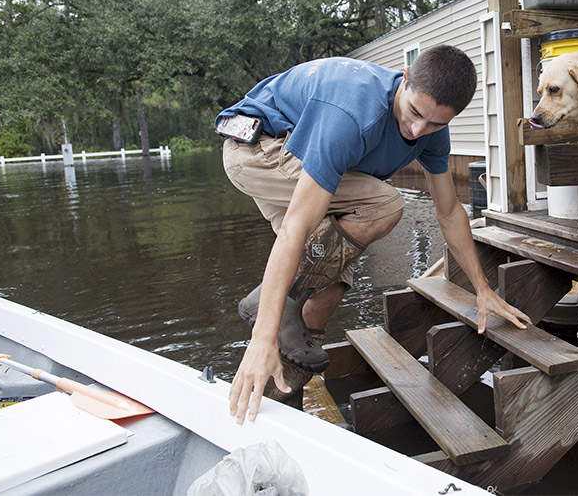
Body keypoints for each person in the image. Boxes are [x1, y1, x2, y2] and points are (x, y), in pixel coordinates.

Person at [218, 45, 531, 424]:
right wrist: (260, 338)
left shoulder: (431, 129)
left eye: (434, 124)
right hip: (257, 148)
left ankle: (280, 403)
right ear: (404, 77)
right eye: (415, 112)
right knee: (385, 204)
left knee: (332, 284)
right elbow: (295, 230)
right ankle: (265, 315)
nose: (418, 130)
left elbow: (449, 211)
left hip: (298, 153)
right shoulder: (351, 114)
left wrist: (483, 290)